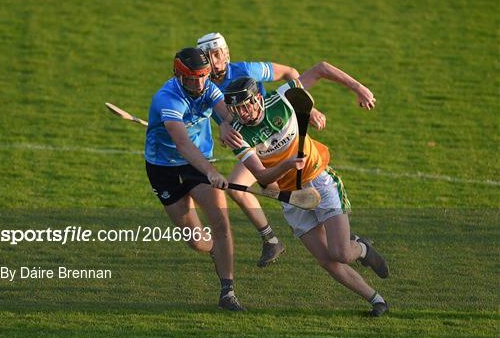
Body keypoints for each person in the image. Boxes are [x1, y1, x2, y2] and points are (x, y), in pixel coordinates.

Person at [221, 62, 390, 316]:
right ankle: (377, 301)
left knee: (341, 253)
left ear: (258, 99)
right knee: (326, 260)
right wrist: (287, 164)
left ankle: (362, 248)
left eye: (246, 105)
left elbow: (320, 69)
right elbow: (263, 177)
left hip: (319, 180)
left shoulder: (282, 99)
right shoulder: (238, 135)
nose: (243, 113)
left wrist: (358, 88)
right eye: (237, 109)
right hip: (291, 198)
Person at [197, 32, 328, 267]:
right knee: (239, 188)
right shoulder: (203, 86)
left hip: (275, 138)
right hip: (253, 146)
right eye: (208, 57)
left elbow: (290, 72)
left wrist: (309, 107)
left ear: (225, 53)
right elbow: (208, 116)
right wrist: (224, 127)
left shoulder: (247, 70)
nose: (214, 61)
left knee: (304, 188)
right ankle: (271, 239)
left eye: (216, 54)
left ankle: (345, 238)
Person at [144, 47, 245, 311]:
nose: (199, 83)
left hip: (197, 167)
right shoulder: (167, 99)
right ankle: (213, 250)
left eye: (203, 76)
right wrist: (211, 172)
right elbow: (183, 145)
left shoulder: (209, 88)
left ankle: (227, 292)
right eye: (192, 77)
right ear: (179, 75)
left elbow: (228, 114)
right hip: (164, 168)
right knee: (197, 241)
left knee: (221, 222)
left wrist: (225, 123)